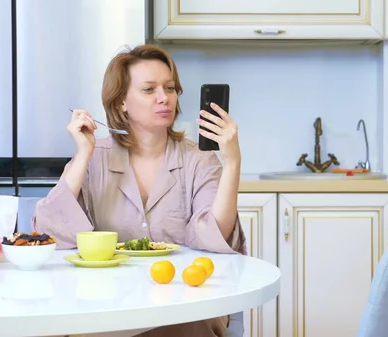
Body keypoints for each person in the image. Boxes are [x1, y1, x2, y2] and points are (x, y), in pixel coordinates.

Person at [32, 44, 247, 337]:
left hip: (183, 305)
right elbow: (50, 232)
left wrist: (232, 160)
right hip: (107, 306)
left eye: (170, 88)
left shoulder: (199, 159)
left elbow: (213, 236)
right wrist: (82, 155)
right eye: (149, 90)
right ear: (121, 101)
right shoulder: (95, 157)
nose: (164, 98)